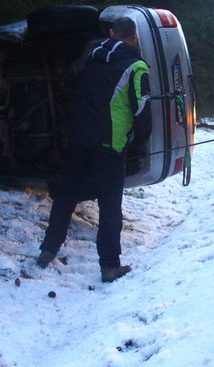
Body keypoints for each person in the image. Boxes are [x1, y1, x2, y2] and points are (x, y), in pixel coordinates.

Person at [37, 16, 152, 283]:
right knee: (110, 206)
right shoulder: (136, 67)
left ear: (111, 33)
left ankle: (48, 250)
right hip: (110, 145)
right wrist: (139, 140)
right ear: (135, 39)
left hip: (79, 139)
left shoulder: (92, 57)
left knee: (66, 197)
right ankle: (109, 267)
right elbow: (143, 108)